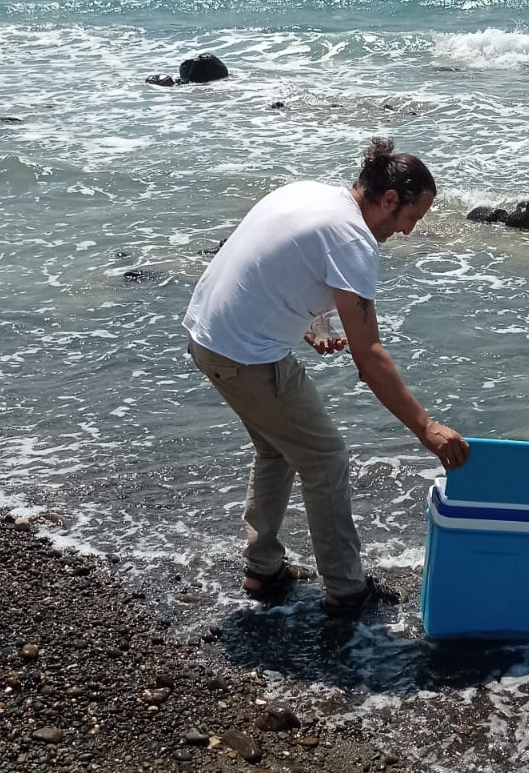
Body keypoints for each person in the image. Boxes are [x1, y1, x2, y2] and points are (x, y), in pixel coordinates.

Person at [184, 137, 470, 613]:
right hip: (245, 355)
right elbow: (369, 354)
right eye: (410, 218)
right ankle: (346, 590)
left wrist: (313, 324)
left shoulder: (311, 195)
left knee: (277, 448)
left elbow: (278, 263)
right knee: (327, 459)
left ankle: (263, 569)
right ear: (390, 199)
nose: (408, 231)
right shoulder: (353, 238)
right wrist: (427, 427)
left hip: (209, 335)